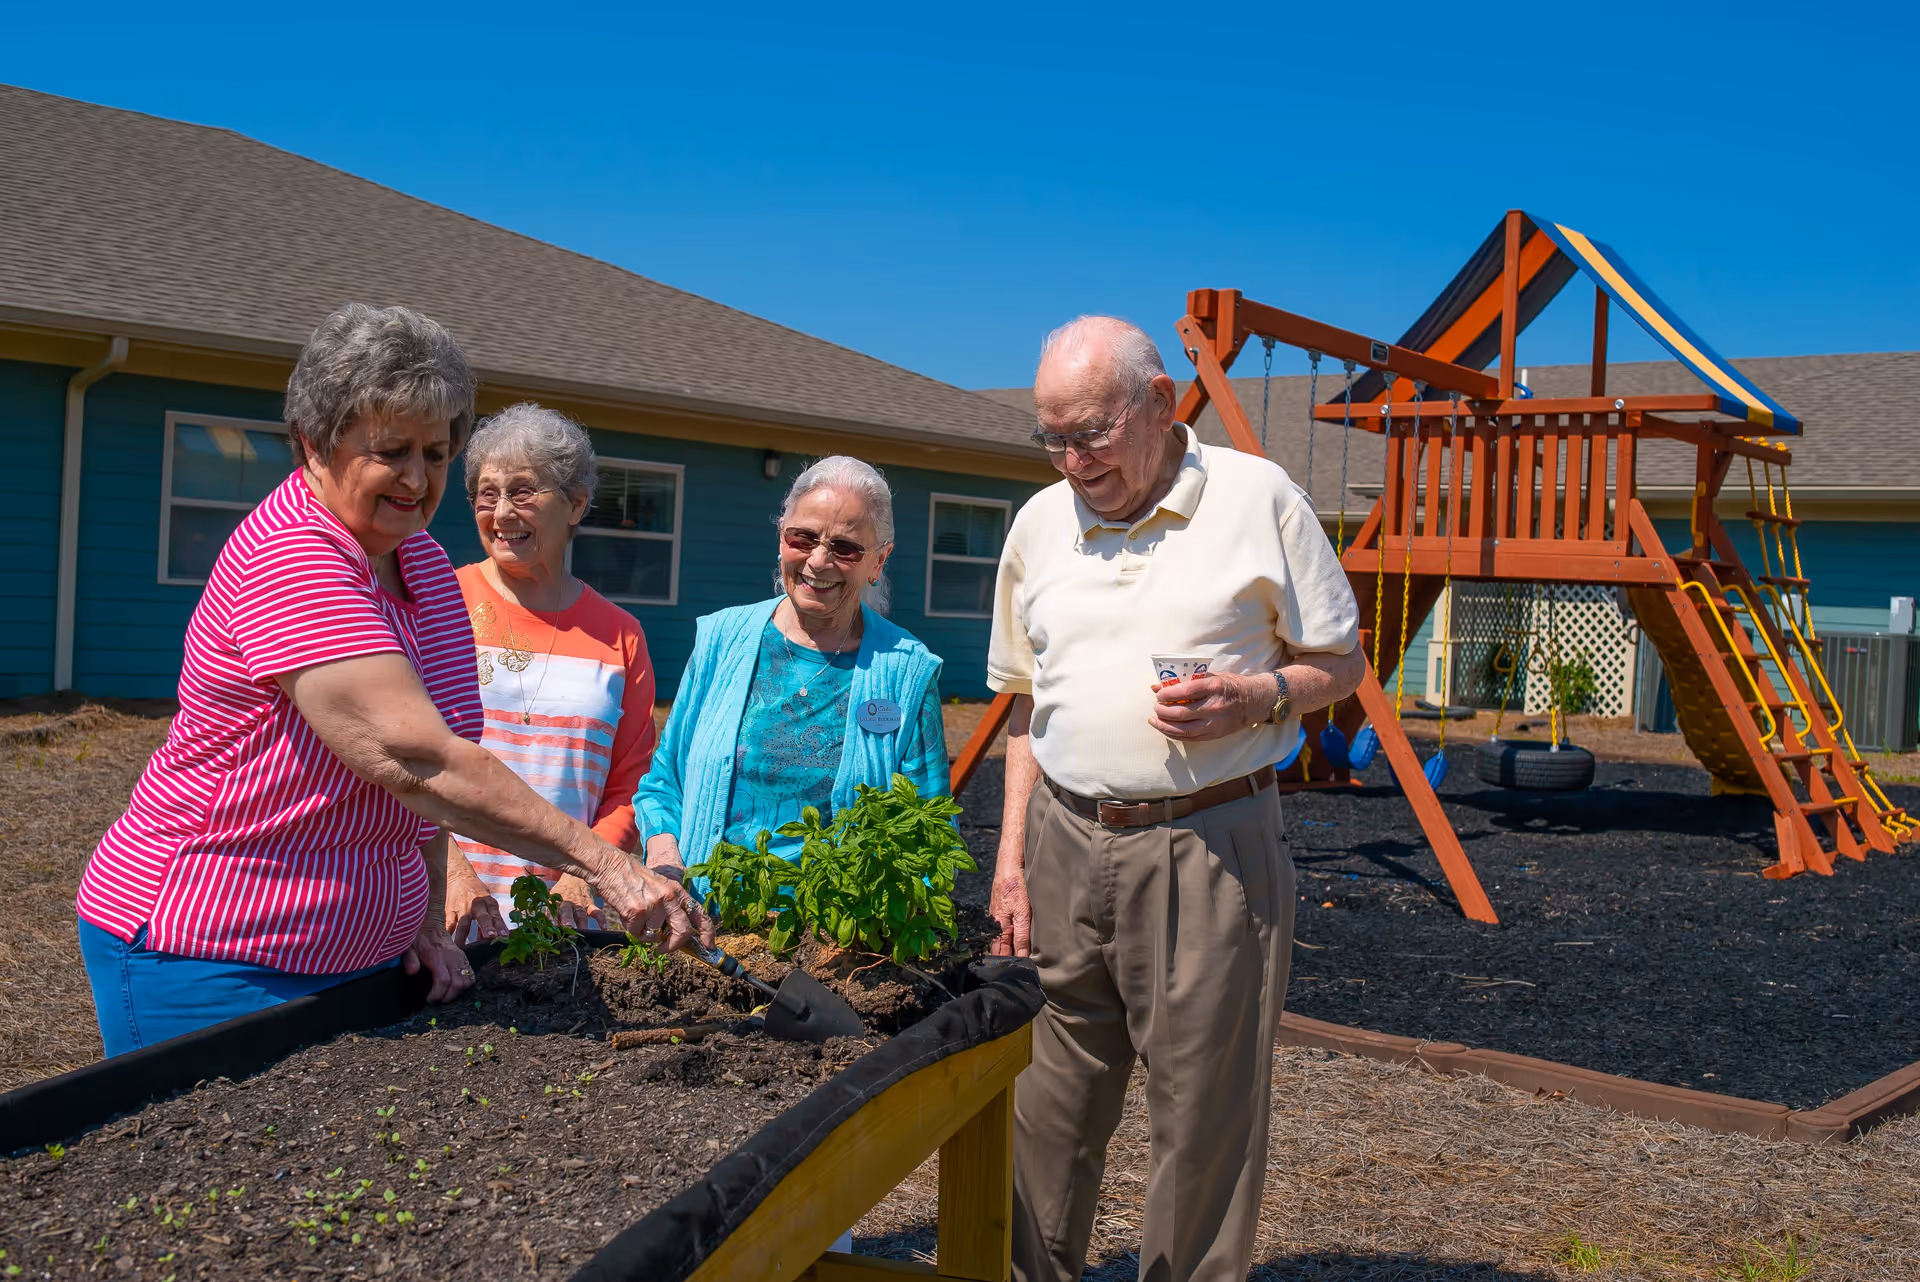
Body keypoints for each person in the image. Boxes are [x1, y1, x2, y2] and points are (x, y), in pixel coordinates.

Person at [75, 303, 708, 1058]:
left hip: (359, 954)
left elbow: (423, 783)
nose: (418, 479)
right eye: (393, 451)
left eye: (438, 454)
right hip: (210, 947)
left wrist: (421, 917)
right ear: (315, 442)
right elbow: (421, 762)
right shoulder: (294, 558)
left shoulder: (425, 569)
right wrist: (608, 866)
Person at [986, 316, 1364, 1282]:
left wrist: (1256, 697)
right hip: (1067, 840)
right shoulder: (1037, 524)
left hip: (1207, 844)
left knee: (1203, 1114)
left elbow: (1340, 661)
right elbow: (1025, 706)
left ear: (1160, 404)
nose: (1072, 460)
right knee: (1045, 1101)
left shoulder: (1257, 497)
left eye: (1091, 434)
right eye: (1052, 437)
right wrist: (1011, 863)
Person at [635, 456, 950, 886]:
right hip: (703, 924)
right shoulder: (721, 638)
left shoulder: (905, 671)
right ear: (782, 538)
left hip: (835, 937)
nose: (818, 561)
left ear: (878, 561)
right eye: (803, 537)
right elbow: (664, 781)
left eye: (845, 547)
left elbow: (929, 833)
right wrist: (665, 855)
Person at [440, 404, 658, 940]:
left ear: (577, 503)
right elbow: (400, 761)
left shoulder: (620, 635)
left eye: (523, 491)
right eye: (487, 494)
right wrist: (446, 870)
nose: (503, 513)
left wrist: (586, 874)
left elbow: (632, 787)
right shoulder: (437, 602)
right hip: (437, 918)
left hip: (561, 928)